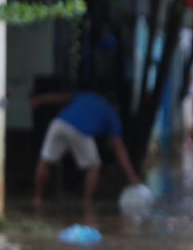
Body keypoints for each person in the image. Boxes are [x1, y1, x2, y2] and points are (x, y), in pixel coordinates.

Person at [30, 89, 142, 226]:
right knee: (94, 167)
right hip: (80, 130)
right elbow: (120, 149)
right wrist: (132, 176)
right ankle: (86, 202)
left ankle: (37, 198)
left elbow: (60, 96)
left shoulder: (87, 96)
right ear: (116, 107)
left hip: (59, 123)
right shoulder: (112, 114)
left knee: (45, 161)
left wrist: (40, 99)